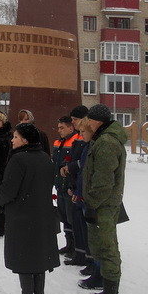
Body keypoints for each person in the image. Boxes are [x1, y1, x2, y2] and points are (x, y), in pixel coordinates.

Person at [0, 123, 60, 294]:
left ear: (25, 140)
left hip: (22, 217)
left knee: (24, 259)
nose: (12, 140)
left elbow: (8, 190)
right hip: (42, 216)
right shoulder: (45, 159)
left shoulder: (18, 160)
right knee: (39, 258)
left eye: (15, 137)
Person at [80, 104, 127, 294]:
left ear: (97, 121)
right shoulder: (103, 139)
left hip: (104, 205)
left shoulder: (106, 142)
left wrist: (92, 204)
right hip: (103, 204)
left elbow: (103, 182)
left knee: (107, 249)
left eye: (89, 119)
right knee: (102, 246)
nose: (87, 123)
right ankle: (108, 292)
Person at [62, 105, 90, 266]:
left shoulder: (87, 138)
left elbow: (84, 162)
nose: (73, 123)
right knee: (75, 221)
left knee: (83, 225)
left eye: (75, 119)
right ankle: (79, 254)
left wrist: (71, 167)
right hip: (75, 185)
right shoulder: (79, 137)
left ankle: (87, 258)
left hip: (83, 188)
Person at [51, 116, 81, 257]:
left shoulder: (76, 141)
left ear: (71, 127)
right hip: (60, 186)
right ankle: (69, 244)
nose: (59, 130)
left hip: (69, 186)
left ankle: (76, 246)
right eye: (58, 127)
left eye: (62, 127)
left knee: (72, 218)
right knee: (64, 217)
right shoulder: (58, 142)